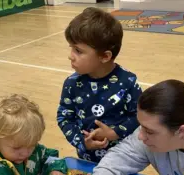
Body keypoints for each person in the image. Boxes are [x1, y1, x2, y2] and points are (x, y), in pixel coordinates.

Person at [57, 7, 142, 163]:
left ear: (105, 56)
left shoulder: (127, 83)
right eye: (71, 48)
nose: (70, 56)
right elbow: (64, 118)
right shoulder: (72, 84)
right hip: (87, 159)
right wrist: (82, 142)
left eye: (78, 50)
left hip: (124, 160)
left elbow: (140, 116)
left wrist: (114, 133)